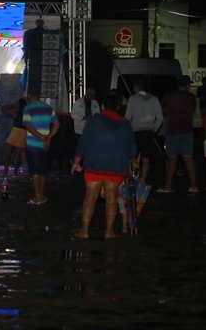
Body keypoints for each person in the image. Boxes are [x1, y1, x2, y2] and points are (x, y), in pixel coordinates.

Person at [71, 91, 137, 238]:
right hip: (116, 167)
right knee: (111, 199)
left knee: (90, 199)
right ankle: (109, 231)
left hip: (94, 165)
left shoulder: (93, 121)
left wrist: (76, 162)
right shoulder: (125, 123)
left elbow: (84, 143)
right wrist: (133, 160)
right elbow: (131, 146)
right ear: (118, 107)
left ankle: (84, 231)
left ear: (102, 106)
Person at [158, 75, 199, 194]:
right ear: (187, 85)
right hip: (187, 131)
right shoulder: (192, 97)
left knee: (172, 159)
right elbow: (192, 111)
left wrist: (170, 112)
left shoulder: (169, 96)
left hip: (172, 131)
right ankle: (194, 185)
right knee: (188, 157)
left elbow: (162, 109)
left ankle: (168, 186)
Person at [22, 87, 60, 206]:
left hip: (32, 144)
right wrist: (48, 137)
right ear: (39, 95)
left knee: (34, 171)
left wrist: (39, 136)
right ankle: (42, 195)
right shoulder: (48, 108)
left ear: (29, 95)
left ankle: (37, 196)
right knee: (42, 171)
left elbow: (28, 126)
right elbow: (57, 124)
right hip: (45, 145)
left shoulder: (27, 108)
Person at [124, 79, 163, 184]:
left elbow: (127, 117)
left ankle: (132, 180)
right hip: (148, 133)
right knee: (146, 159)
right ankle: (142, 181)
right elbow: (160, 118)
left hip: (135, 132)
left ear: (135, 87)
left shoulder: (133, 99)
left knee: (133, 158)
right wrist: (154, 129)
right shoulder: (154, 99)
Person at [2, 98, 27, 177]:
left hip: (16, 132)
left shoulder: (16, 113)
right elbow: (3, 109)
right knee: (17, 156)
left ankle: (6, 173)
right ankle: (14, 173)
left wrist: (13, 105)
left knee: (9, 155)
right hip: (21, 133)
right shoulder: (24, 114)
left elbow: (4, 108)